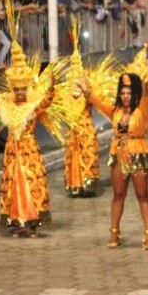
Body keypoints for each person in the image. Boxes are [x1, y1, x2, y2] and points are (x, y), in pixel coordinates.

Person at [0, 41, 55, 237]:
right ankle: (18, 222)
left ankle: (32, 223)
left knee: (32, 185)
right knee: (14, 185)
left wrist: (52, 87)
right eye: (17, 89)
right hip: (12, 151)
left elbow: (47, 102)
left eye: (23, 89)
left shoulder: (34, 105)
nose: (20, 92)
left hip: (29, 151)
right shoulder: (6, 103)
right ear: (13, 89)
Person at [79, 72, 148, 250]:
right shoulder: (116, 111)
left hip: (138, 153)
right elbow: (98, 103)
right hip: (119, 154)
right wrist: (86, 91)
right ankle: (114, 233)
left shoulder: (142, 108)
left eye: (129, 93)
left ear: (134, 94)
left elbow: (146, 96)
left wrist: (145, 86)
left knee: (142, 195)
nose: (125, 96)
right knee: (118, 194)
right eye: (123, 93)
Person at [61, 27, 100, 198]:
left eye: (78, 83)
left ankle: (88, 182)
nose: (75, 87)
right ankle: (74, 184)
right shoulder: (65, 96)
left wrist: (86, 90)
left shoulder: (88, 93)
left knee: (87, 155)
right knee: (73, 156)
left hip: (86, 130)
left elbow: (95, 101)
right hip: (72, 132)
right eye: (73, 83)